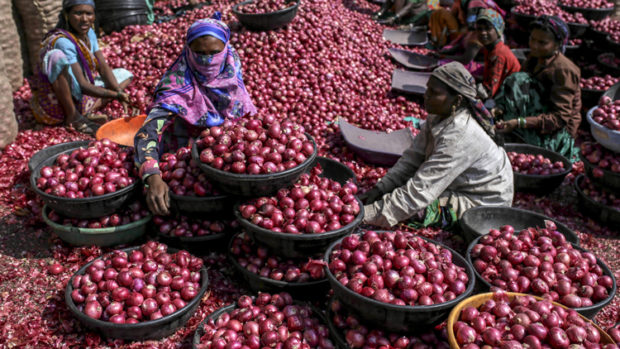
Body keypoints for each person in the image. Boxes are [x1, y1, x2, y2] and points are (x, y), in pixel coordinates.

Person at [360, 62, 513, 229]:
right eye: (427, 89)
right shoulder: (439, 116)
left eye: (434, 93)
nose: (426, 95)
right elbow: (412, 158)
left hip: (481, 202)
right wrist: (381, 188)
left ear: (457, 100)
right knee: (399, 196)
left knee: (415, 212)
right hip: (457, 184)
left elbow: (422, 189)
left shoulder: (461, 135)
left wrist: (367, 214)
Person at [134, 13, 257, 216]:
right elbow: (147, 133)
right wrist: (153, 176)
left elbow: (247, 124)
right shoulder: (176, 84)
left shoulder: (231, 75)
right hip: (182, 167)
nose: (207, 61)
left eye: (214, 53)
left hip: (226, 165)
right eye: (199, 52)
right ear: (187, 50)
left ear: (226, 50)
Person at [30, 0, 133, 134]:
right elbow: (82, 84)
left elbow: (102, 66)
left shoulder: (89, 33)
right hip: (59, 101)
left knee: (125, 75)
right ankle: (73, 115)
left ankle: (85, 110)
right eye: (78, 13)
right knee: (56, 57)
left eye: (88, 14)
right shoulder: (63, 41)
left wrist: (119, 91)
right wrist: (116, 95)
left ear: (94, 15)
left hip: (81, 89)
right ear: (67, 15)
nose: (84, 19)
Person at [494, 16, 581, 160]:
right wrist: (500, 108)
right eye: (532, 39)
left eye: (542, 42)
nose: (534, 45)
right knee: (517, 79)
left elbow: (560, 118)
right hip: (538, 114)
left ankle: (528, 137)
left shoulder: (564, 70)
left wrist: (519, 122)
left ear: (557, 44)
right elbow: (517, 91)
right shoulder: (535, 58)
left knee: (518, 79)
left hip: (557, 131)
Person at [474, 8, 520, 99]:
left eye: (488, 29)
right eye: (479, 29)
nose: (483, 33)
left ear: (498, 30)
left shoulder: (499, 54)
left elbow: (489, 91)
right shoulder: (489, 48)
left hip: (508, 95)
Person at [374, 0, 441, 27]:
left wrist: (394, 17)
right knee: (385, 16)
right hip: (405, 13)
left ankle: (410, 25)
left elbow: (408, 7)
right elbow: (388, 1)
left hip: (416, 16)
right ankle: (398, 20)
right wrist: (379, 14)